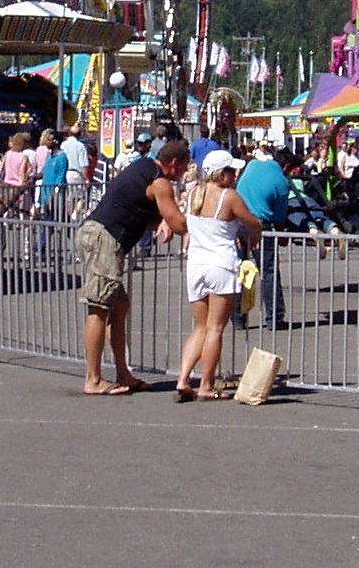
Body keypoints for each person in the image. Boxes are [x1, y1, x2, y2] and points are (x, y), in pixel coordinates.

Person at [75, 139, 190, 395]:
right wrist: (200, 230)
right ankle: (93, 379)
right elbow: (176, 220)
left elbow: (138, 208)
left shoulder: (143, 168)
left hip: (97, 234)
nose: (183, 175)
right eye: (183, 168)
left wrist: (160, 222)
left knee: (119, 304)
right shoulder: (160, 181)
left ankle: (123, 374)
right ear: (174, 163)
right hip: (105, 237)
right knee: (99, 307)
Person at [177, 149, 261, 402]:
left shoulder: (193, 194)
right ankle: (206, 384)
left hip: (196, 265)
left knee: (200, 327)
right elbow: (253, 222)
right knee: (215, 329)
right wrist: (255, 233)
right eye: (231, 171)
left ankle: (183, 378)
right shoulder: (229, 196)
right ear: (222, 174)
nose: (235, 175)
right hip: (221, 264)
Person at [232, 146, 292, 330]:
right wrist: (282, 237)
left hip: (240, 222)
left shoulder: (253, 166)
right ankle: (274, 317)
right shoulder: (281, 182)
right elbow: (280, 217)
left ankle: (238, 317)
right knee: (269, 272)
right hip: (259, 225)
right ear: (287, 166)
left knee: (243, 270)